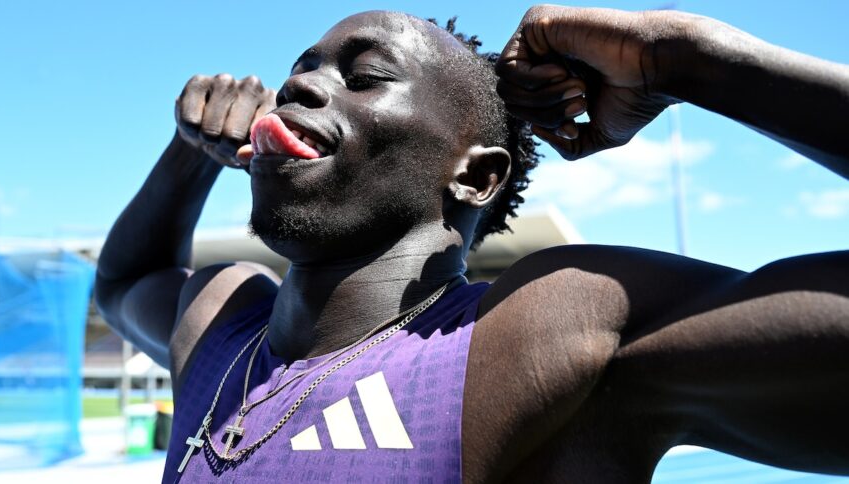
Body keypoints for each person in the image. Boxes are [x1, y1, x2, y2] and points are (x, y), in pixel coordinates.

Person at [95, 6, 849, 483]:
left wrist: (690, 61)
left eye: (366, 76)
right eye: (302, 70)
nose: (299, 88)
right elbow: (125, 282)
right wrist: (190, 151)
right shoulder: (222, 326)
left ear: (477, 175)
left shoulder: (539, 336)